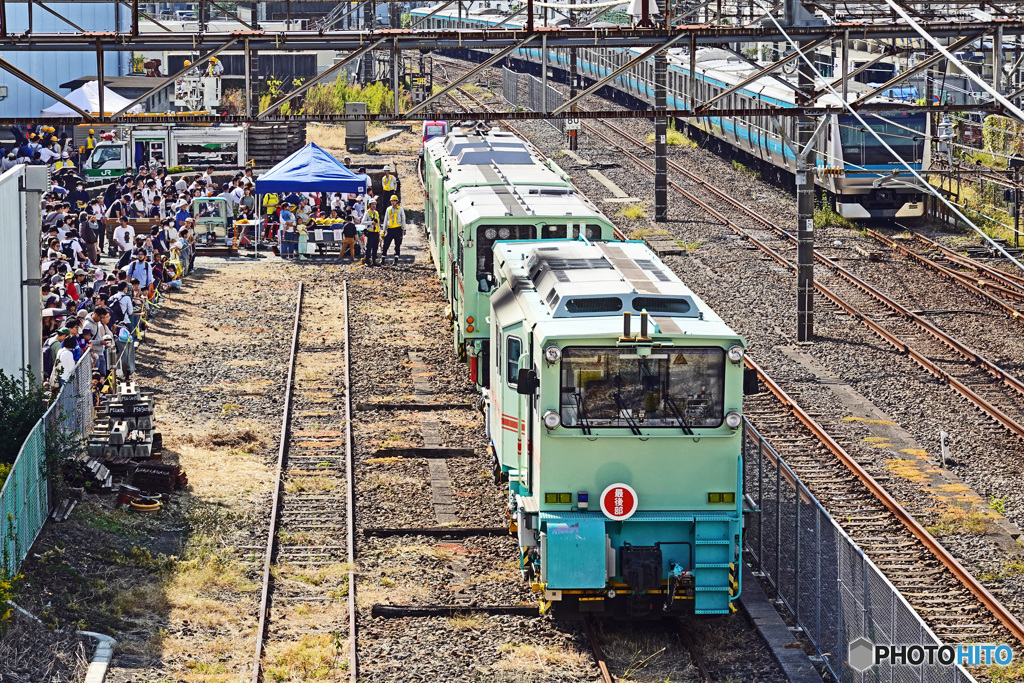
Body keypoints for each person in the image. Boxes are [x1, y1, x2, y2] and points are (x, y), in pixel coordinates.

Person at [381, 195, 406, 262]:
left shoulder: (400, 209)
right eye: (392, 201)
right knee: (386, 243)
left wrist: (404, 229)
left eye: (394, 201)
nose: (393, 202)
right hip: (390, 229)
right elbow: (386, 219)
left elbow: (403, 219)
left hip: (398, 229)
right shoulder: (388, 209)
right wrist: (384, 230)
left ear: (397, 201)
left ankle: (396, 259)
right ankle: (383, 258)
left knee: (397, 244)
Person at [361, 199, 380, 266]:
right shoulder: (367, 213)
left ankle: (374, 260)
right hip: (370, 232)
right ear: (369, 205)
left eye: (375, 204)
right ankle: (367, 261)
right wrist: (370, 223)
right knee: (369, 247)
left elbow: (378, 223)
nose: (374, 205)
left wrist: (379, 232)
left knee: (375, 247)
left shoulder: (376, 213)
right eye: (372, 204)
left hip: (376, 232)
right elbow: (362, 222)